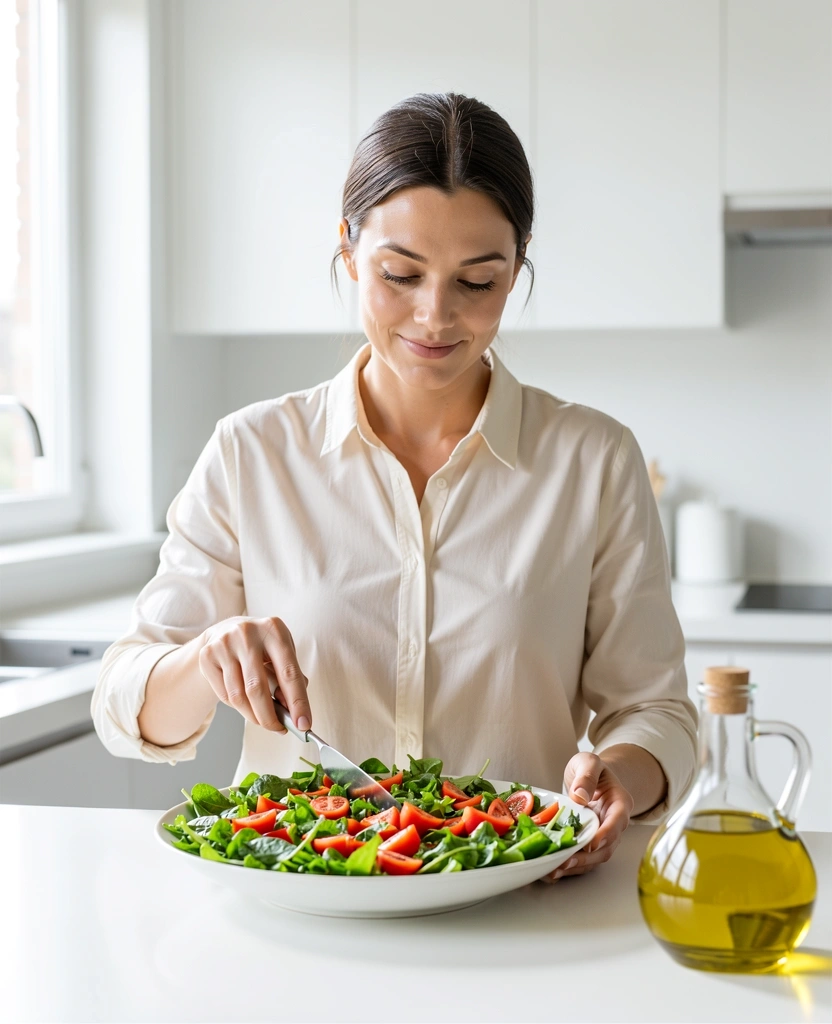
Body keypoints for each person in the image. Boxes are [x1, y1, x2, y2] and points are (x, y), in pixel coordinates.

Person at [93, 92, 697, 882]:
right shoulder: (253, 452)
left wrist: (620, 774)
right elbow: (122, 705)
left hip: (514, 902)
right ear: (348, 251)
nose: (435, 316)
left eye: (477, 281)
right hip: (298, 902)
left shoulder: (594, 460)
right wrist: (203, 659)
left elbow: (658, 713)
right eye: (399, 274)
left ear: (517, 270)